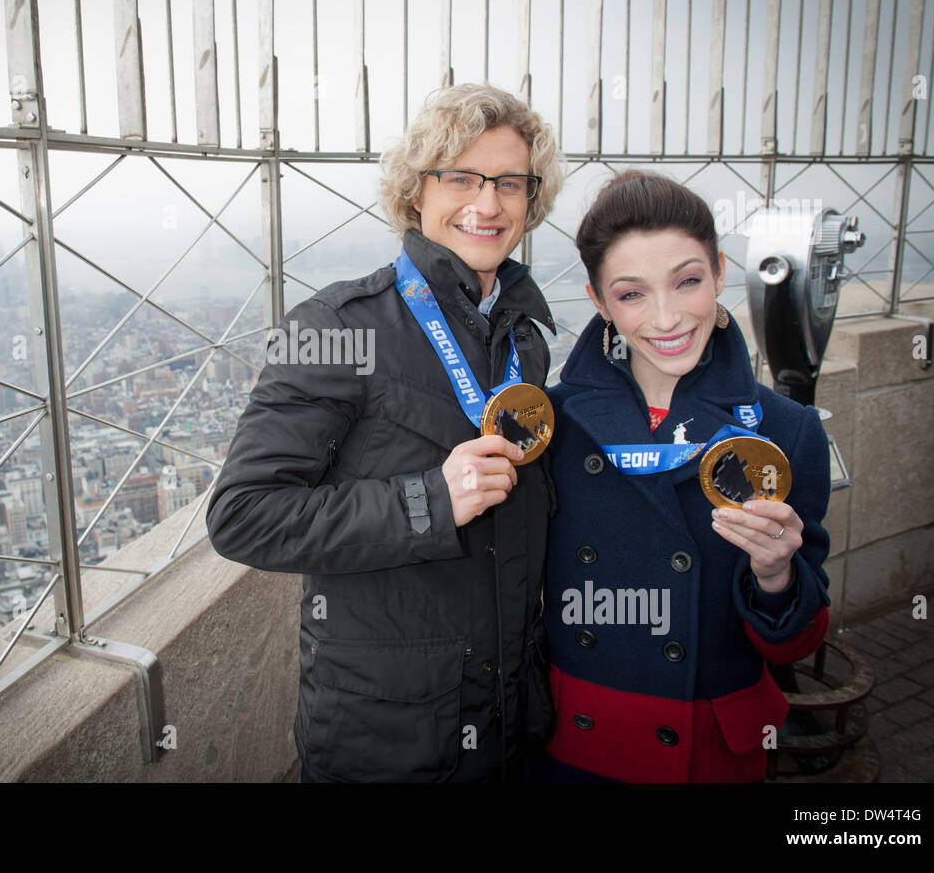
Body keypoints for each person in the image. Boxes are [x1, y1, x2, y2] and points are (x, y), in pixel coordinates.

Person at [206, 83, 564, 782]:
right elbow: (242, 516)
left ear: (531, 199)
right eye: (459, 177)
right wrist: (430, 500)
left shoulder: (525, 337)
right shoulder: (336, 328)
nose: (486, 203)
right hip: (387, 741)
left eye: (509, 183)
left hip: (506, 719)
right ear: (415, 193)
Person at [533, 170, 831, 783]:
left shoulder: (786, 429)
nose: (666, 319)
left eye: (687, 282)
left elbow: (794, 646)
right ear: (599, 302)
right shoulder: (549, 427)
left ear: (721, 273)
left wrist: (776, 575)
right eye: (632, 294)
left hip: (707, 755)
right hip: (577, 746)